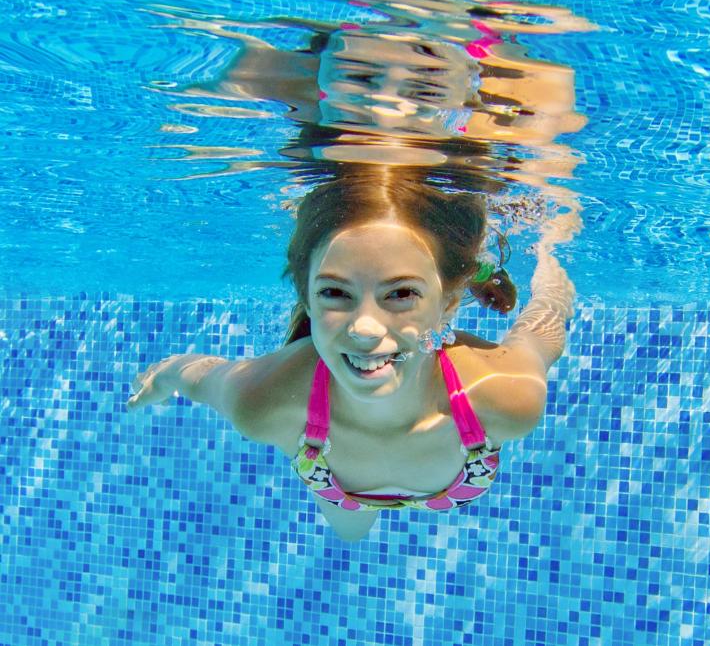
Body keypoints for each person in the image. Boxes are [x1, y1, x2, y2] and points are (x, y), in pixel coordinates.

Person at [127, 169, 577, 541]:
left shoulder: (502, 398)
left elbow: (539, 336)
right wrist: (164, 377)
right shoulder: (264, 402)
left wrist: (552, 278)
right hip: (338, 487)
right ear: (306, 297)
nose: (364, 327)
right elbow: (201, 377)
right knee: (351, 533)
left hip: (448, 473)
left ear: (449, 303)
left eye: (400, 293)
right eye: (335, 293)